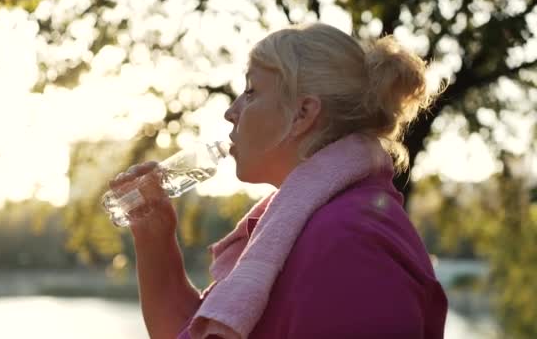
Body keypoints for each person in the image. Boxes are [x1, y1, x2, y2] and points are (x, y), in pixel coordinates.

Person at [109, 23, 448, 339]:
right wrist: (155, 239)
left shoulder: (352, 238)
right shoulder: (294, 225)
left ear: (303, 114)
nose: (231, 111)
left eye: (251, 91)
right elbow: (194, 329)